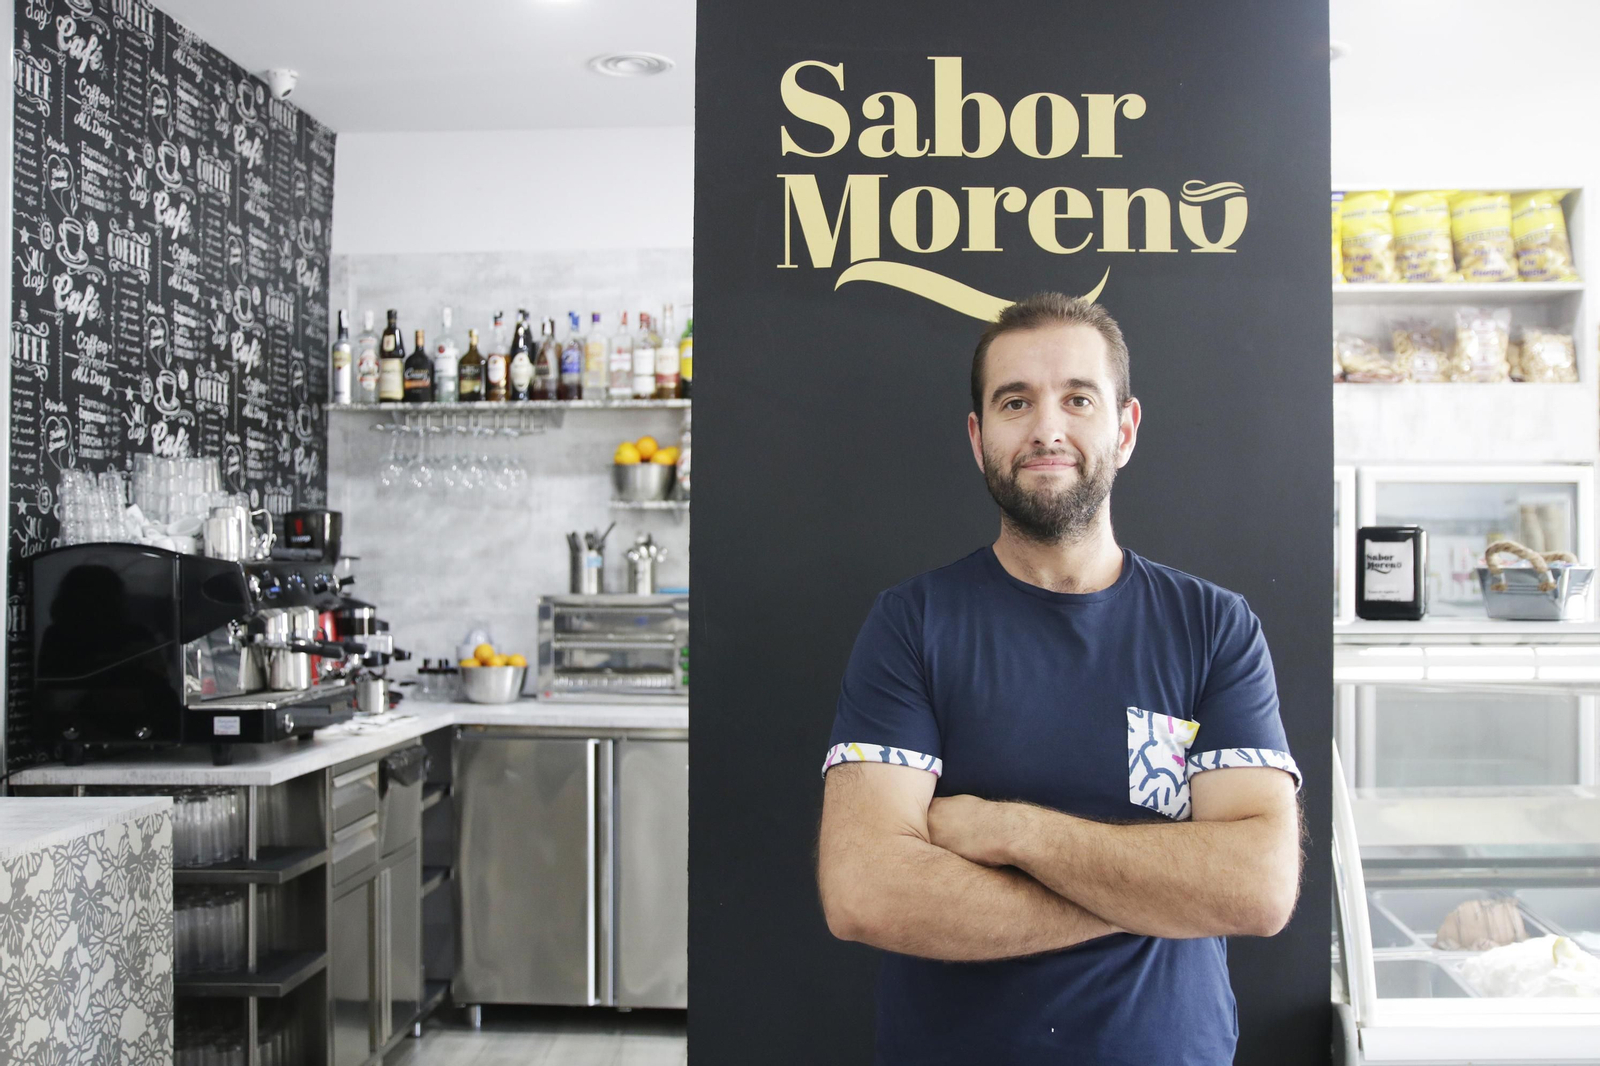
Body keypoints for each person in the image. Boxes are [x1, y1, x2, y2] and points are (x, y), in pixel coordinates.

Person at [815, 293, 1303, 1065]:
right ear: (979, 439)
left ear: (1125, 428)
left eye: (1078, 398)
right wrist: (1158, 888)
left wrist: (1010, 831)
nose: (1047, 428)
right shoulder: (912, 624)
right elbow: (865, 891)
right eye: (1016, 402)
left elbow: (1258, 887)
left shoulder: (1213, 626)